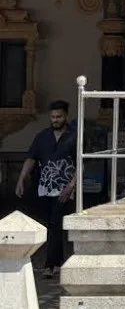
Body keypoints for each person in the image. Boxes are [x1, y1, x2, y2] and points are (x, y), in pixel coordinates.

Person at [15, 100, 78, 278]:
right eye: (52, 117)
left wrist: (71, 186)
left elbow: (81, 163)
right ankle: (57, 263)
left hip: (65, 189)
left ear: (66, 116)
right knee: (51, 225)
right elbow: (31, 158)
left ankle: (49, 265)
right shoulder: (42, 136)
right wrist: (21, 178)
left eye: (59, 116)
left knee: (55, 223)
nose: (55, 120)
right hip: (44, 188)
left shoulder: (74, 137)